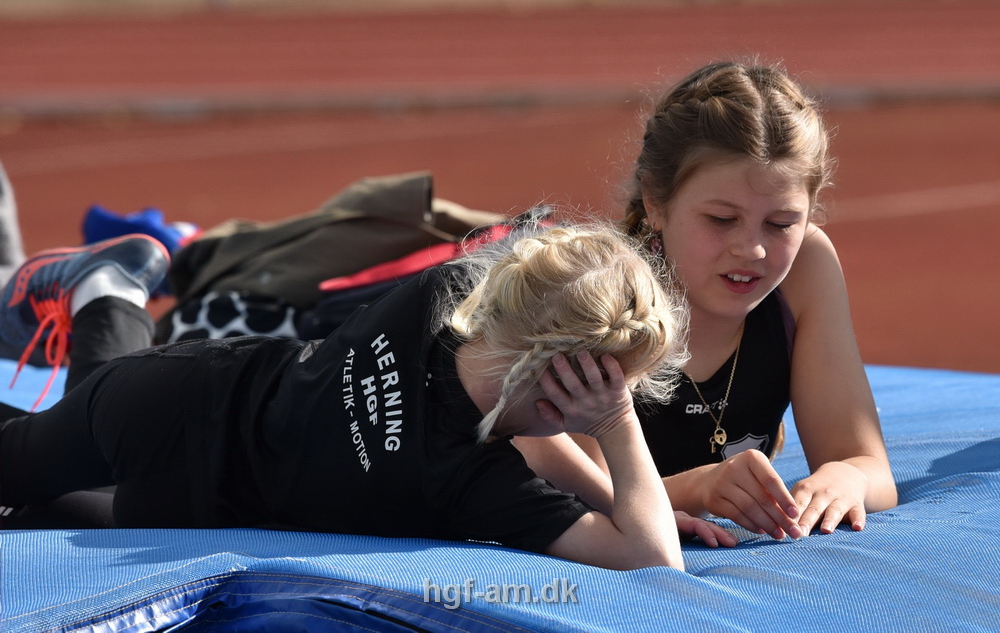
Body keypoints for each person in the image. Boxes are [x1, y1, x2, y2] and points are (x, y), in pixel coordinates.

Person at [0, 225, 739, 569]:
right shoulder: (471, 483)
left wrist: (614, 498)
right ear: (564, 386)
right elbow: (652, 562)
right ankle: (107, 297)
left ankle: (108, 293)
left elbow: (522, 427)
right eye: (615, 386)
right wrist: (615, 425)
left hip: (175, 421)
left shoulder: (438, 298)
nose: (614, 400)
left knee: (27, 499)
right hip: (173, 454)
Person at [516, 61, 898, 541]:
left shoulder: (806, 266)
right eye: (721, 219)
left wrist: (847, 477)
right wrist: (698, 488)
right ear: (655, 203)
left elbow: (869, 467)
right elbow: (576, 492)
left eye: (781, 224)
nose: (752, 249)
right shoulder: (599, 296)